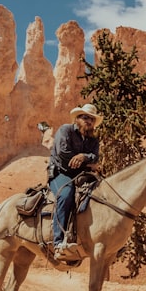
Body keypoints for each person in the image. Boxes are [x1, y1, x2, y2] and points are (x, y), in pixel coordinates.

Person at [48, 103, 102, 259]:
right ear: (77, 118)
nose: (89, 121)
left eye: (92, 119)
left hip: (81, 174)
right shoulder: (66, 130)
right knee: (66, 194)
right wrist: (87, 161)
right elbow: (64, 154)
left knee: (102, 192)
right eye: (85, 117)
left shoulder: (93, 140)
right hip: (60, 172)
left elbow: (95, 156)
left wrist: (83, 157)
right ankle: (58, 242)